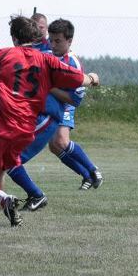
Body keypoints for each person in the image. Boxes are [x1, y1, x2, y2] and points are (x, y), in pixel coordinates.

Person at [0, 16, 99, 226]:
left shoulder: (3, 54)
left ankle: (4, 198)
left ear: (14, 38)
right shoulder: (47, 59)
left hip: (2, 126)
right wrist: (92, 78)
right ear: (35, 36)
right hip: (26, 130)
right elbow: (78, 79)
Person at [46, 19, 103, 190]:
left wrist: (49, 88)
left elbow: (74, 100)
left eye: (58, 41)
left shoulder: (73, 64)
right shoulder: (47, 55)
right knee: (54, 147)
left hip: (65, 105)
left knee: (61, 141)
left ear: (69, 41)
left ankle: (94, 171)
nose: (53, 44)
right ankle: (86, 176)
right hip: (50, 106)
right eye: (51, 40)